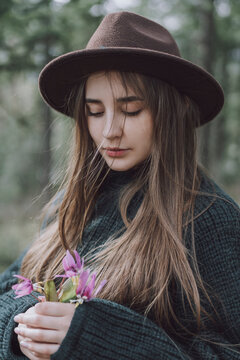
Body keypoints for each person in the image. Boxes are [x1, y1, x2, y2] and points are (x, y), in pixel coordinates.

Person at [0, 11, 239, 360]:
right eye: (95, 112)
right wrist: (24, 327)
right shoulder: (72, 204)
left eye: (130, 110)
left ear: (170, 112)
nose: (110, 130)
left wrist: (97, 335)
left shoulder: (211, 221)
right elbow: (9, 287)